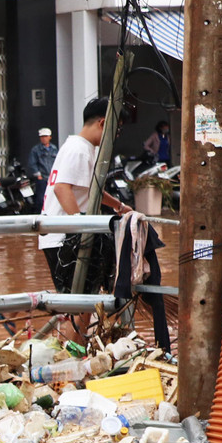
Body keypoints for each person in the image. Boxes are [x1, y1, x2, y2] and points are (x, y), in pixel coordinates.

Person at [39, 98, 133, 334]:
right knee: (79, 305)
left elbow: (93, 191)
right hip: (64, 239)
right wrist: (81, 226)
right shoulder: (80, 149)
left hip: (64, 236)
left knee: (85, 301)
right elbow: (62, 188)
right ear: (103, 123)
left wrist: (119, 206)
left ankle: (76, 351)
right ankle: (72, 355)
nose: (117, 135)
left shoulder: (80, 147)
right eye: (117, 129)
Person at [27, 126, 58, 211]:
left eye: (45, 136)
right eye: (42, 137)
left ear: (50, 137)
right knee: (41, 199)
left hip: (52, 178)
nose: (44, 139)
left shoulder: (54, 149)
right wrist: (38, 175)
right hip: (42, 178)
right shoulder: (36, 150)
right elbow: (32, 163)